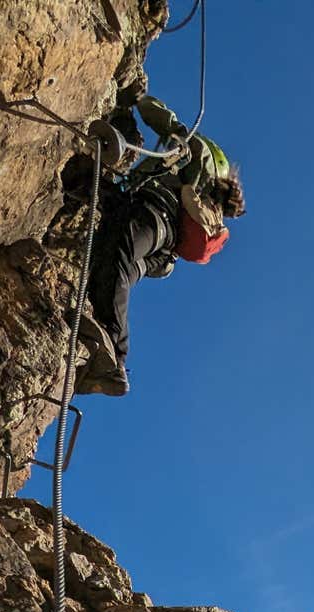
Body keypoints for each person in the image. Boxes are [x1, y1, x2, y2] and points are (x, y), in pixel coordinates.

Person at [77, 94, 244, 396]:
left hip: (153, 214)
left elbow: (166, 123)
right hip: (162, 250)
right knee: (114, 266)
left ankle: (113, 356)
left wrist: (137, 98)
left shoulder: (199, 156)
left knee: (115, 256)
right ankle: (99, 356)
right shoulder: (208, 210)